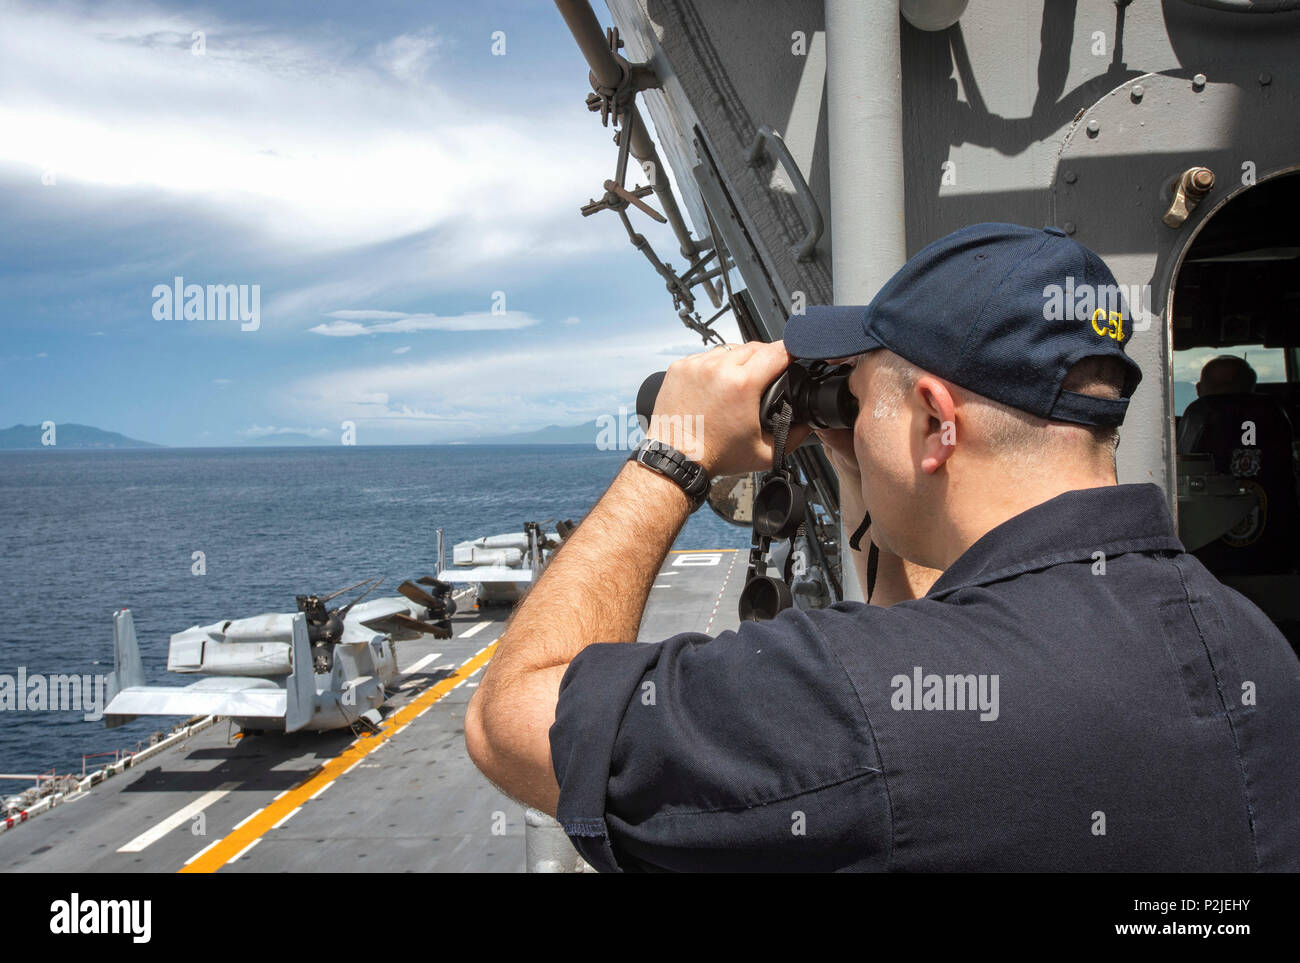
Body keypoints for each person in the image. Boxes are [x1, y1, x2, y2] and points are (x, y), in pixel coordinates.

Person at [465, 223, 1300, 872]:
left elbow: (507, 722)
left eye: (863, 397)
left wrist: (672, 452)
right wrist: (860, 447)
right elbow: (934, 643)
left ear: (938, 421)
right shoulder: (1255, 646)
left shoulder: (848, 707)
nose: (854, 422)